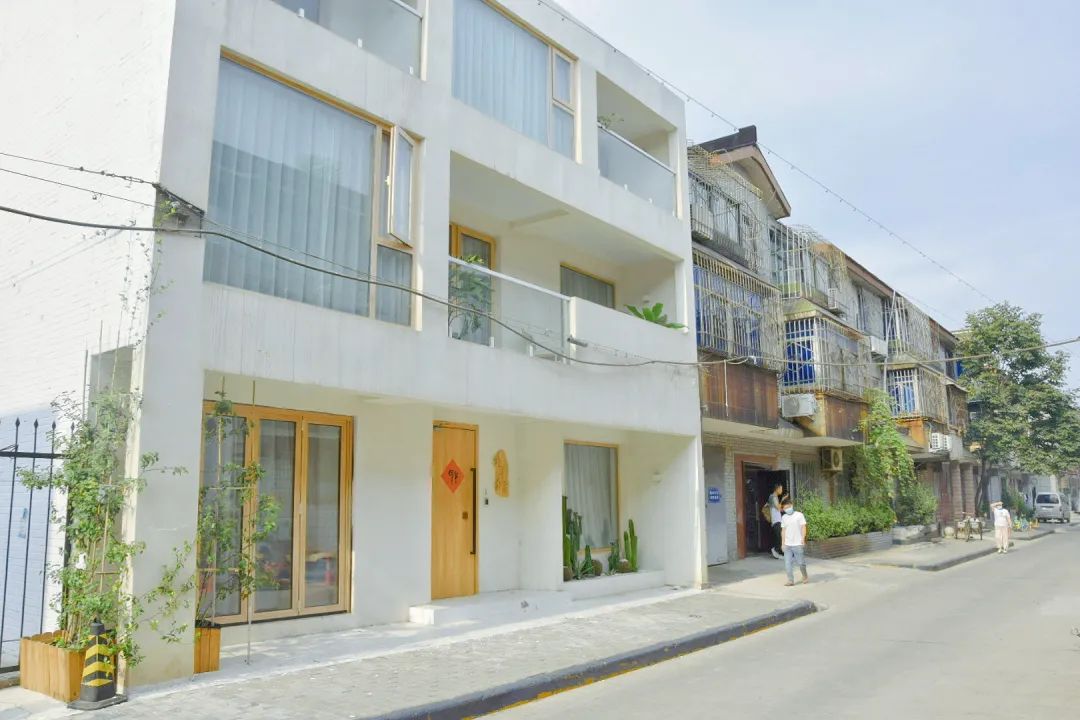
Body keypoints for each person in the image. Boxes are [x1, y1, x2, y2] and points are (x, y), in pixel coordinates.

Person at [780, 499, 808, 585]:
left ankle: (805, 576)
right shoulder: (784, 517)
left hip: (798, 544)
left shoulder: (799, 515)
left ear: (792, 505)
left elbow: (803, 527)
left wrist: (803, 538)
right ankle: (790, 580)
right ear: (783, 509)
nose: (787, 509)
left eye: (788, 507)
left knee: (801, 563)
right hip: (787, 545)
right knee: (787, 563)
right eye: (785, 508)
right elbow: (783, 531)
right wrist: (783, 543)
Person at [767, 484, 784, 559]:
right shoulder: (773, 497)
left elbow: (779, 509)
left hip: (777, 520)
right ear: (777, 489)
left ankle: (778, 552)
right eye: (781, 489)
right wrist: (783, 499)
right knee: (779, 537)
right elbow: (778, 507)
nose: (781, 491)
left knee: (779, 536)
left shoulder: (775, 497)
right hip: (776, 520)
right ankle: (775, 550)